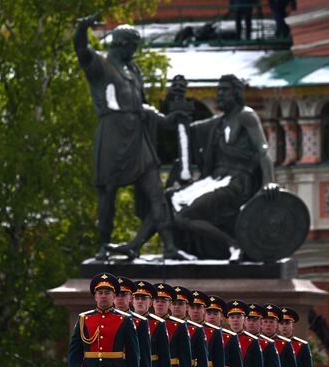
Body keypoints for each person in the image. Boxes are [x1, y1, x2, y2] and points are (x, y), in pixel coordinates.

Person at [73, 16, 188, 260]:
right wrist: (83, 27)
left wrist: (166, 119)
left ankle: (169, 245)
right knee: (108, 194)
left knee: (155, 190)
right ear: (123, 44)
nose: (135, 50)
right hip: (113, 136)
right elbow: (81, 50)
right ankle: (103, 245)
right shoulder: (100, 66)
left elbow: (142, 106)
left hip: (138, 136)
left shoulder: (133, 70)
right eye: (133, 45)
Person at [172, 74, 278, 262]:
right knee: (170, 199)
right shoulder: (219, 122)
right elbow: (190, 130)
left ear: (236, 93)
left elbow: (262, 150)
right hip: (215, 180)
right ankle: (171, 249)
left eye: (224, 90)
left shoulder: (246, 115)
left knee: (184, 217)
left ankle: (233, 244)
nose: (219, 95)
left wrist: (269, 182)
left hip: (237, 182)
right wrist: (179, 110)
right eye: (218, 90)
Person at [68, 273, 140, 367]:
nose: (103, 296)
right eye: (100, 293)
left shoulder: (125, 319)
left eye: (107, 293)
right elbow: (75, 353)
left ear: (114, 296)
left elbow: (133, 354)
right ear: (95, 296)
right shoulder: (83, 318)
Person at [153, 283, 193, 367]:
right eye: (157, 301)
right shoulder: (146, 322)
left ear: (168, 304)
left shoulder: (178, 325)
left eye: (163, 301)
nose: (160, 304)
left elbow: (185, 357)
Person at [133, 281, 172, 367]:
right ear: (132, 302)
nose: (140, 301)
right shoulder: (125, 320)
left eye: (143, 299)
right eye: (137, 298)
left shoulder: (158, 323)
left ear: (150, 303)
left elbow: (164, 355)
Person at [116, 276, 152, 367]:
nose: (120, 298)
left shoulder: (139, 321)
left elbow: (144, 355)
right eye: (117, 294)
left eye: (124, 294)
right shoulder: (103, 318)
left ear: (131, 298)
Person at [171, 287, 209, 367]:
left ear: (187, 307)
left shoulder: (196, 329)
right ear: (169, 305)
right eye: (174, 303)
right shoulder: (161, 326)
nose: (177, 306)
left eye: (180, 304)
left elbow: (202, 359)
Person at [190, 291, 225, 367]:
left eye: (215, 313)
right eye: (192, 307)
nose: (212, 317)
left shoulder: (214, 332)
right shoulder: (183, 328)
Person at [206, 296, 243, 367]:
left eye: (215, 314)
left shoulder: (230, 337)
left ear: (222, 317)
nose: (212, 317)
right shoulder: (200, 333)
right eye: (209, 313)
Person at [226, 300, 265, 367]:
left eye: (238, 317)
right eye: (232, 317)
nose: (235, 320)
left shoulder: (253, 340)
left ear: (244, 319)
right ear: (228, 320)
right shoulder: (222, 338)